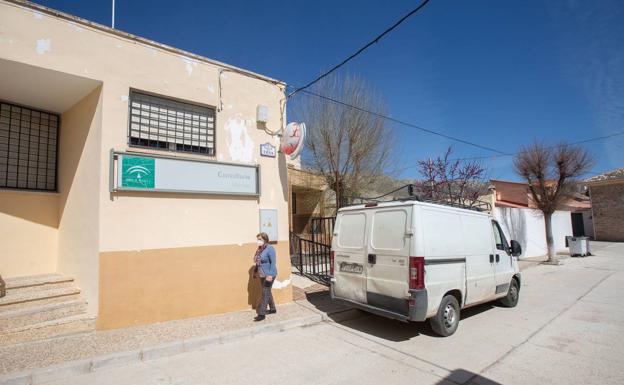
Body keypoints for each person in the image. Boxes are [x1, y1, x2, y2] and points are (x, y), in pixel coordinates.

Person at [253, 232, 277, 321]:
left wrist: (270, 275)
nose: (258, 241)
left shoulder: (270, 248)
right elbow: (258, 262)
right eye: (257, 239)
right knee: (267, 291)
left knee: (265, 293)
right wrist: (255, 271)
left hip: (269, 274)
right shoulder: (259, 249)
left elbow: (273, 263)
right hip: (261, 274)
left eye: (260, 239)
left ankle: (261, 314)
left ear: (265, 240)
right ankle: (273, 308)